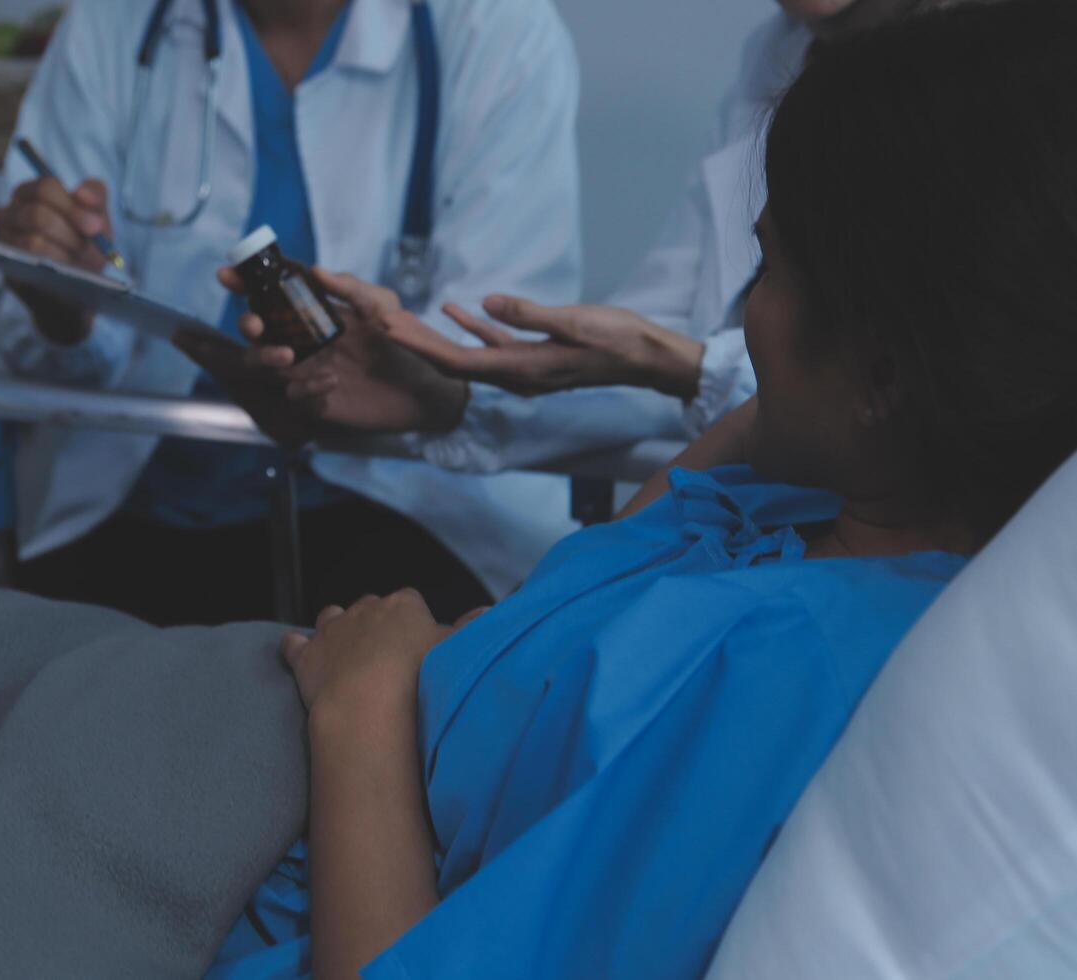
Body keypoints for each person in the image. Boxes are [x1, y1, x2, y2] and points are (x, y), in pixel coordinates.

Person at [207, 1, 1077, 975]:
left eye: (766, 272)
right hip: (234, 739)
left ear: (878, 378)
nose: (737, 317)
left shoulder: (782, 677)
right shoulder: (788, 499)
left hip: (246, 836)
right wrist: (446, 387)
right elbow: (737, 418)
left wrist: (364, 712)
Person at [0, 0, 583, 625]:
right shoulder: (114, 23)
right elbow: (49, 343)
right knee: (45, 696)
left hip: (405, 502)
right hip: (144, 501)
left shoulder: (498, 33)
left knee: (371, 706)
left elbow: (499, 354)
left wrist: (399, 379)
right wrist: (67, 308)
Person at [227, 0, 943, 476]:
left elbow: (929, 396)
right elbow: (658, 339)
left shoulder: (1026, 91)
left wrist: (676, 362)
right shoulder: (778, 57)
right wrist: (444, 390)